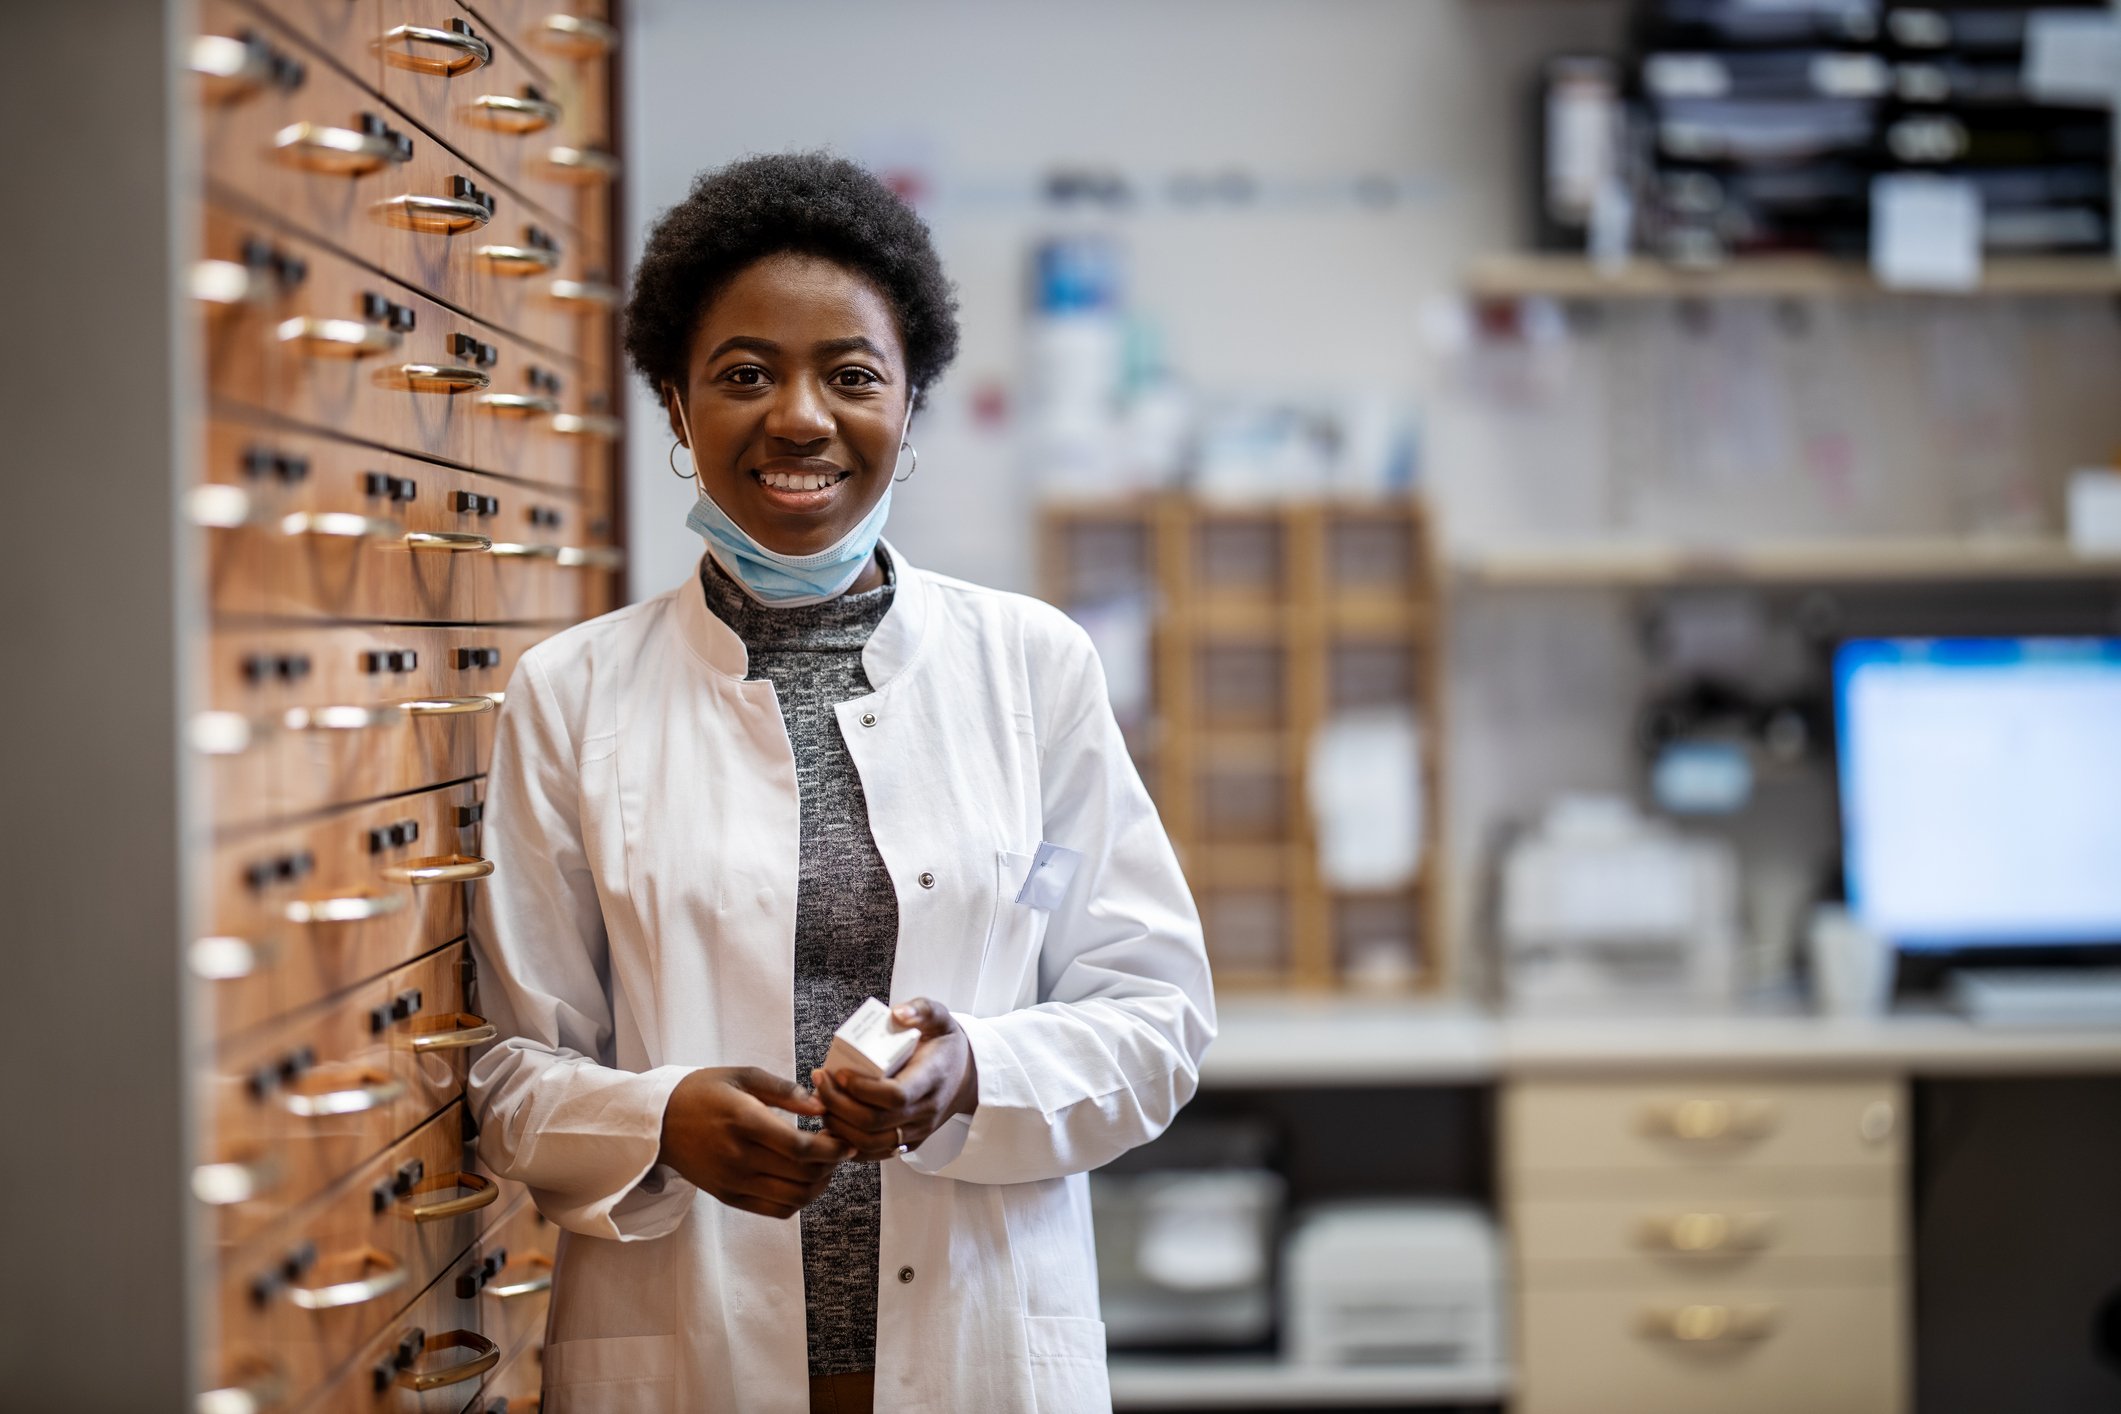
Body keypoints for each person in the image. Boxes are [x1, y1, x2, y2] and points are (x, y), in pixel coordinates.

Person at [467, 152, 1215, 1414]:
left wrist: (974, 1070)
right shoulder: (571, 691)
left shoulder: (1032, 668)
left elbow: (1156, 1016)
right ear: (674, 402)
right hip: (685, 1354)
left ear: (909, 404)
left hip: (977, 1355)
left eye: (851, 375)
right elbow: (506, 1070)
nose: (800, 417)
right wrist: (660, 1121)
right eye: (745, 373)